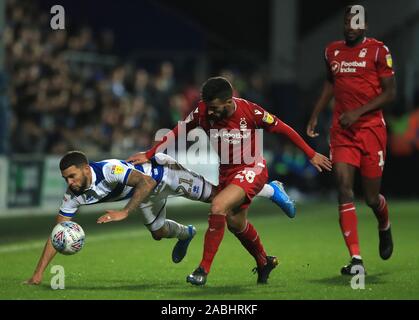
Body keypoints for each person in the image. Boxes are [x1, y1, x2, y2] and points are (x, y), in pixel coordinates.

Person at [128, 76, 332, 285]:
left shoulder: (251, 111)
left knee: (218, 207)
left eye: (214, 107)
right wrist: (150, 153)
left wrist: (311, 153)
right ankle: (264, 261)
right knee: (236, 223)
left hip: (252, 167)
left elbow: (284, 129)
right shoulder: (201, 112)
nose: (210, 112)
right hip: (227, 173)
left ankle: (202, 270)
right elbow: (178, 131)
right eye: (208, 106)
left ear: (229, 101)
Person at [25, 151, 293, 285]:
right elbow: (58, 232)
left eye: (72, 176)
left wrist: (124, 212)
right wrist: (38, 274)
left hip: (164, 177)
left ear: (85, 169)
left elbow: (144, 183)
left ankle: (272, 189)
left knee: (220, 198)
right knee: (157, 233)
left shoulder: (109, 169)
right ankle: (186, 233)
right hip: (145, 194)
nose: (70, 183)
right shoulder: (72, 195)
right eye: (66, 179)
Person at [306, 5, 396, 275]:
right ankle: (356, 259)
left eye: (356, 22)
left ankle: (384, 224)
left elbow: (391, 93)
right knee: (344, 187)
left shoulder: (380, 50)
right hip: (342, 132)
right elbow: (330, 85)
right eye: (347, 21)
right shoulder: (331, 51)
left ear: (365, 26)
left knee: (370, 198)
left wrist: (357, 112)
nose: (350, 26)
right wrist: (315, 115)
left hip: (370, 131)